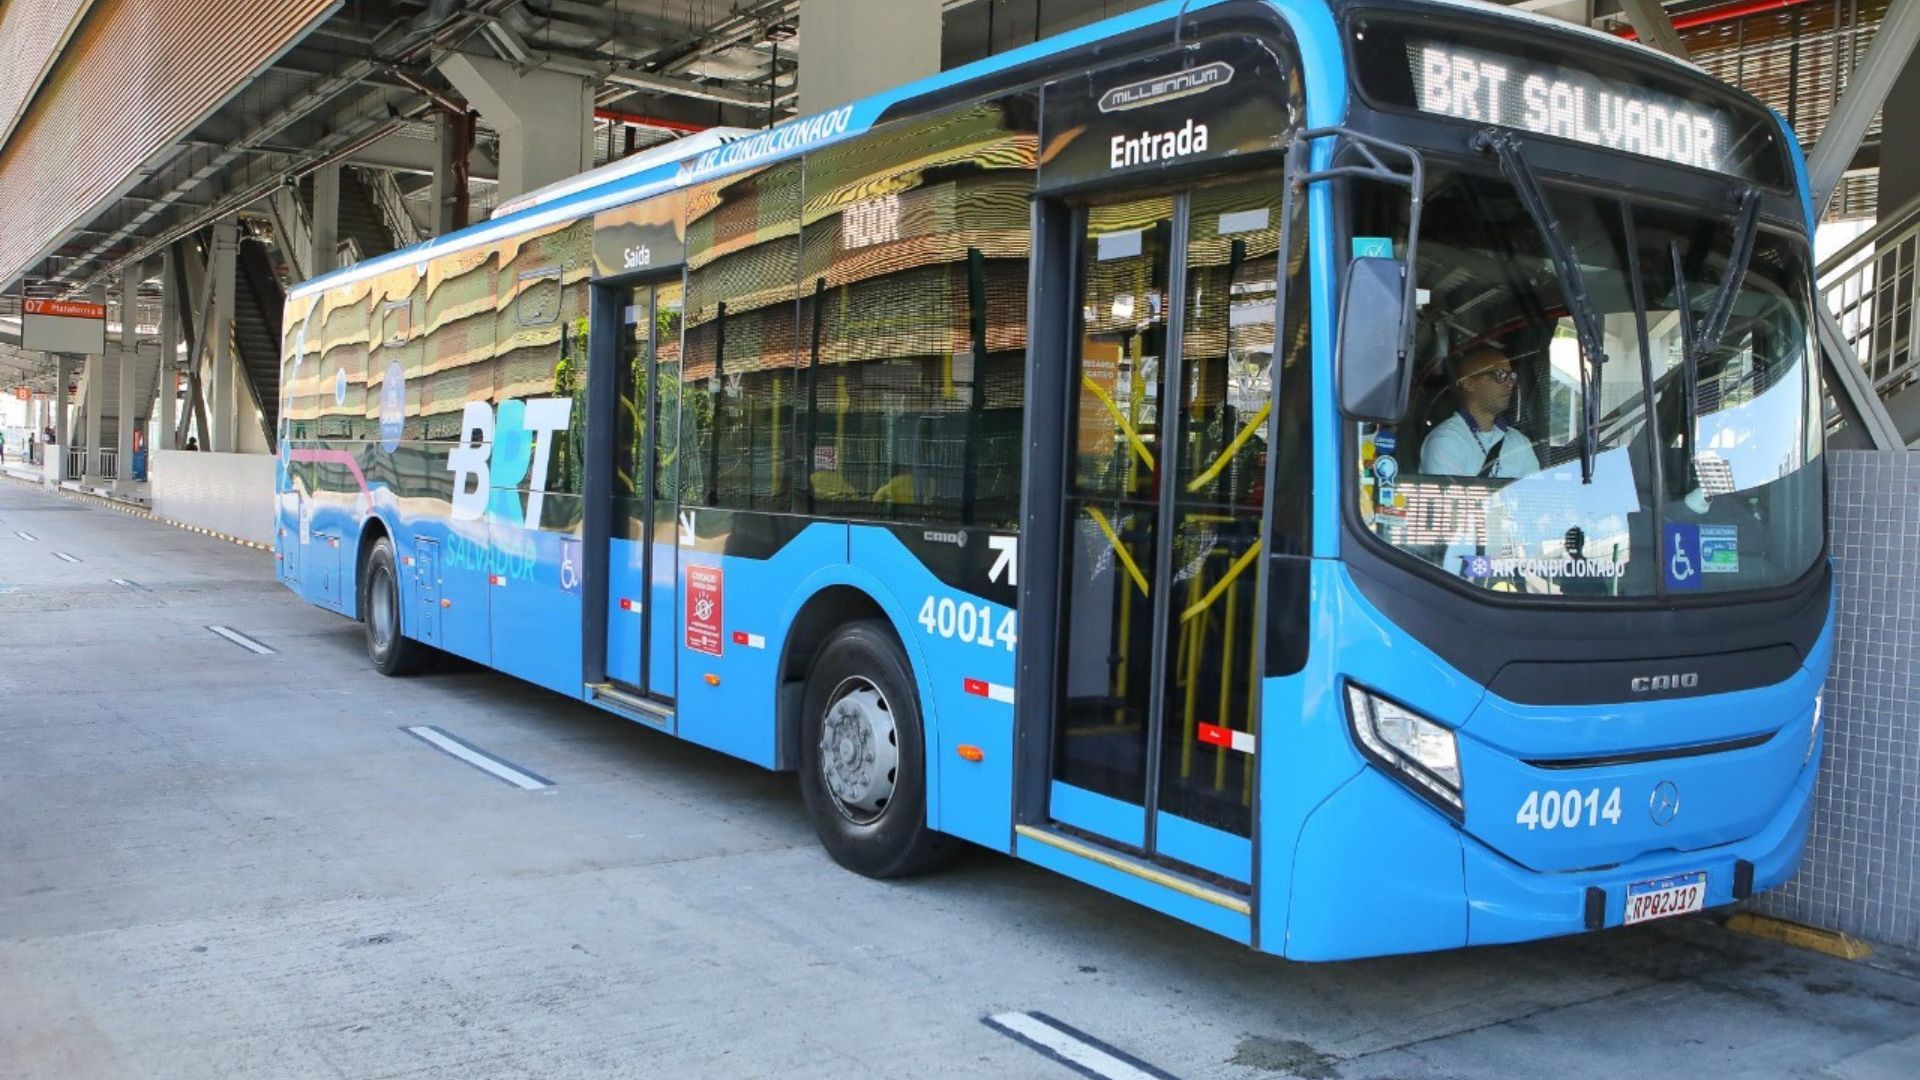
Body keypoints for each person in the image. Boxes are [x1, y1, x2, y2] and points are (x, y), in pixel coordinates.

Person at [1419, 345, 1540, 479]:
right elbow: (1451, 498)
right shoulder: (1445, 440)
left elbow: (1535, 494)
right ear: (1468, 383)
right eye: (1500, 375)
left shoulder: (1519, 441)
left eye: (1511, 376)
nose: (1509, 384)